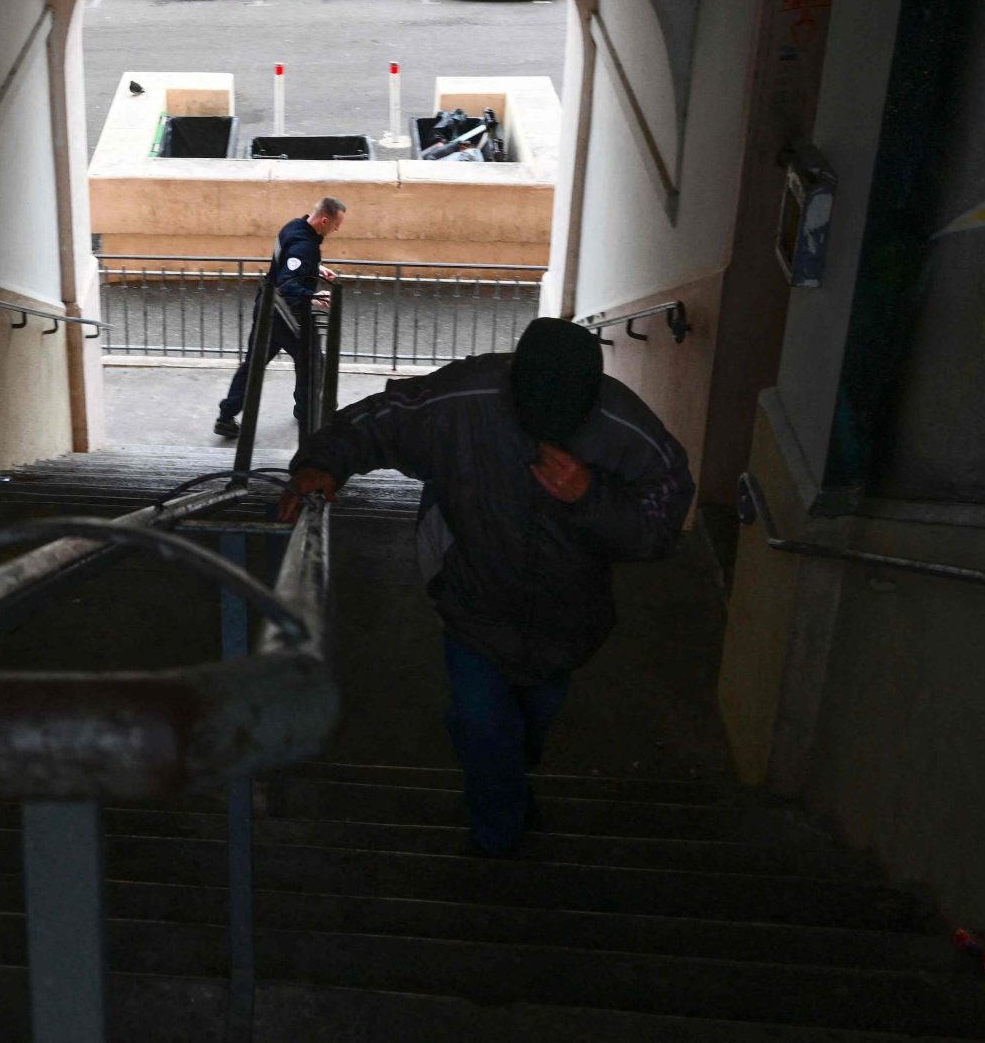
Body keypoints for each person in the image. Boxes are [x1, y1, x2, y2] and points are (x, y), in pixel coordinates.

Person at [280, 318, 692, 856]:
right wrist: (321, 462)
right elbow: (381, 419)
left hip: (568, 620)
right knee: (486, 726)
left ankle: (501, 768)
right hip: (472, 600)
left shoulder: (626, 428)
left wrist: (592, 497)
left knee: (527, 726)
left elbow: (661, 525)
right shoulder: (463, 399)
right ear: (512, 380)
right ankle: (498, 839)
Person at [213, 196, 346, 438]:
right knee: (313, 361)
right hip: (287, 315)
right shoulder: (304, 247)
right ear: (324, 220)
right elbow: (288, 284)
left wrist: (315, 268)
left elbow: (287, 262)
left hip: (267, 308)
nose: (337, 229)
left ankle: (226, 416)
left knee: (253, 366)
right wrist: (314, 296)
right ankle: (307, 412)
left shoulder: (293, 226)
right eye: (336, 224)